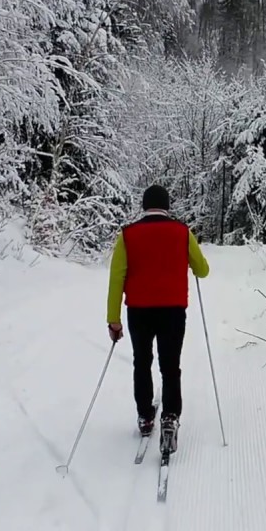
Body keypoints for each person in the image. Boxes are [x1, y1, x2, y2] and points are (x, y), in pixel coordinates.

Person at [106, 185, 209, 454]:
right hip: (173, 309)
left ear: (144, 206)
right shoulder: (182, 232)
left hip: (138, 310)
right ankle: (170, 417)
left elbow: (117, 278)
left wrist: (113, 319)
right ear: (167, 206)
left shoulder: (127, 236)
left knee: (142, 362)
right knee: (170, 365)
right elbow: (203, 270)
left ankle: (145, 416)